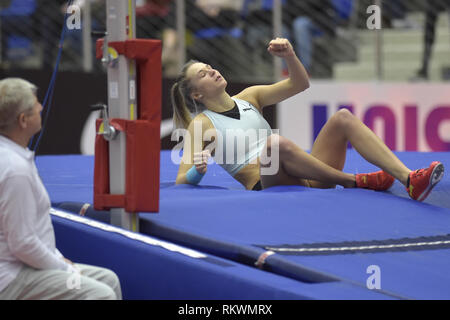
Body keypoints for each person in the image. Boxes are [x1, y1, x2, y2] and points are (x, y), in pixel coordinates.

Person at [171, 38, 444, 201]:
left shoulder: (249, 96)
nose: (213, 71)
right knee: (273, 145)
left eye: (210, 67)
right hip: (270, 187)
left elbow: (299, 85)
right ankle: (354, 180)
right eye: (204, 74)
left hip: (309, 177)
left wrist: (289, 55)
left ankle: (409, 179)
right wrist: (198, 170)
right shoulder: (202, 125)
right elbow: (184, 179)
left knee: (343, 118)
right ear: (197, 93)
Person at [0, 78, 122, 300]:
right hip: (13, 278)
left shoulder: (13, 156)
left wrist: (57, 259)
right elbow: (23, 243)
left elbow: (30, 236)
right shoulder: (15, 169)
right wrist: (64, 268)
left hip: (24, 265)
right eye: (35, 105)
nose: (41, 107)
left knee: (108, 279)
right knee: (101, 294)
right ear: (23, 120)